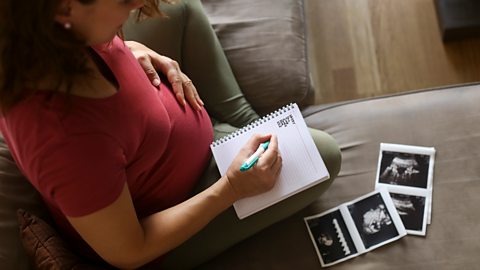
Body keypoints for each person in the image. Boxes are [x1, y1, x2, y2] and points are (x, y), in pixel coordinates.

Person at [0, 0, 341, 269]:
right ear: (63, 10)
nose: (135, 5)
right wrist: (232, 189)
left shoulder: (51, 33)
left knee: (179, 6)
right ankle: (248, 136)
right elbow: (130, 252)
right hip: (169, 218)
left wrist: (130, 48)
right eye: (121, 1)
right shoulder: (64, 141)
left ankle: (246, 125)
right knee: (324, 154)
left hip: (164, 134)